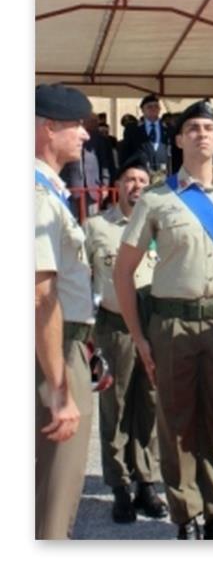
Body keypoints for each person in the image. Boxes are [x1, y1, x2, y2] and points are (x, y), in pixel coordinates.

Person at [112, 99, 213, 539]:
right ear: (178, 140)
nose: (202, 134)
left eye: (208, 128)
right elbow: (123, 270)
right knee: (175, 423)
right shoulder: (157, 199)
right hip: (173, 325)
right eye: (192, 128)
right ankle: (186, 511)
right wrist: (139, 336)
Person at [84, 156, 168, 524]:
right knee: (114, 407)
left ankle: (146, 481)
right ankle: (119, 484)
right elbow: (83, 279)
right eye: (130, 179)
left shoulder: (158, 223)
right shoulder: (96, 226)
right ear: (117, 185)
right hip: (113, 327)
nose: (136, 186)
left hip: (151, 326)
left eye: (142, 180)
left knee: (149, 404)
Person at [35, 84, 96, 539]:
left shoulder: (47, 191)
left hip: (63, 347)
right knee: (51, 508)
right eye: (76, 125)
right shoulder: (35, 195)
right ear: (48, 128)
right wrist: (60, 385)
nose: (85, 136)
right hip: (48, 361)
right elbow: (39, 295)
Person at [121, 93, 173, 174]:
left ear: (160, 109)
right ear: (142, 110)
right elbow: (125, 153)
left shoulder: (169, 129)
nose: (153, 109)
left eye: (156, 106)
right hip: (140, 173)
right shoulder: (132, 129)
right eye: (149, 107)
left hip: (165, 174)